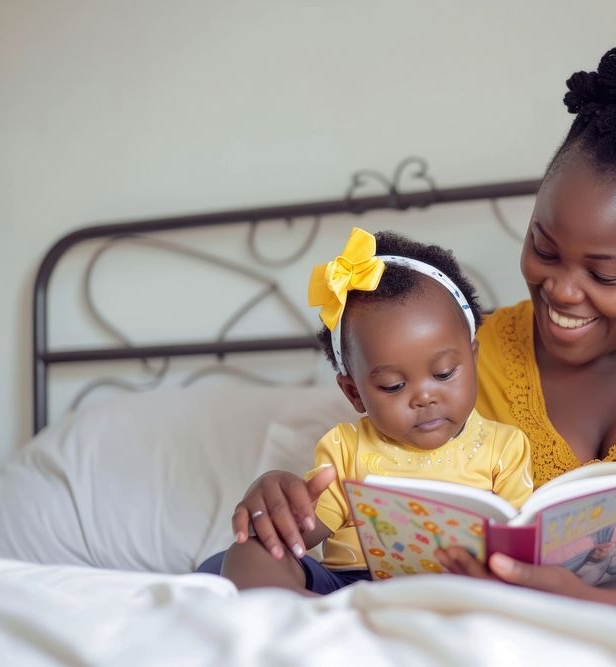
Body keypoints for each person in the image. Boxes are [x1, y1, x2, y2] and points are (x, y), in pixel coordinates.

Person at [229, 45, 616, 626]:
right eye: (544, 248)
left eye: (604, 273)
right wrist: (275, 505)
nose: (562, 290)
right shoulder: (458, 358)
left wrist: (590, 609)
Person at [215, 227, 533, 594]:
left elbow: (520, 548)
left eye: (444, 373)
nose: (424, 397)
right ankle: (306, 617)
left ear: (474, 360)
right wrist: (281, 507)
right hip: (351, 588)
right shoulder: (346, 449)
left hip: (458, 590)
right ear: (354, 393)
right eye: (394, 386)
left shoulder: (504, 447)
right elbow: (301, 535)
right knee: (250, 550)